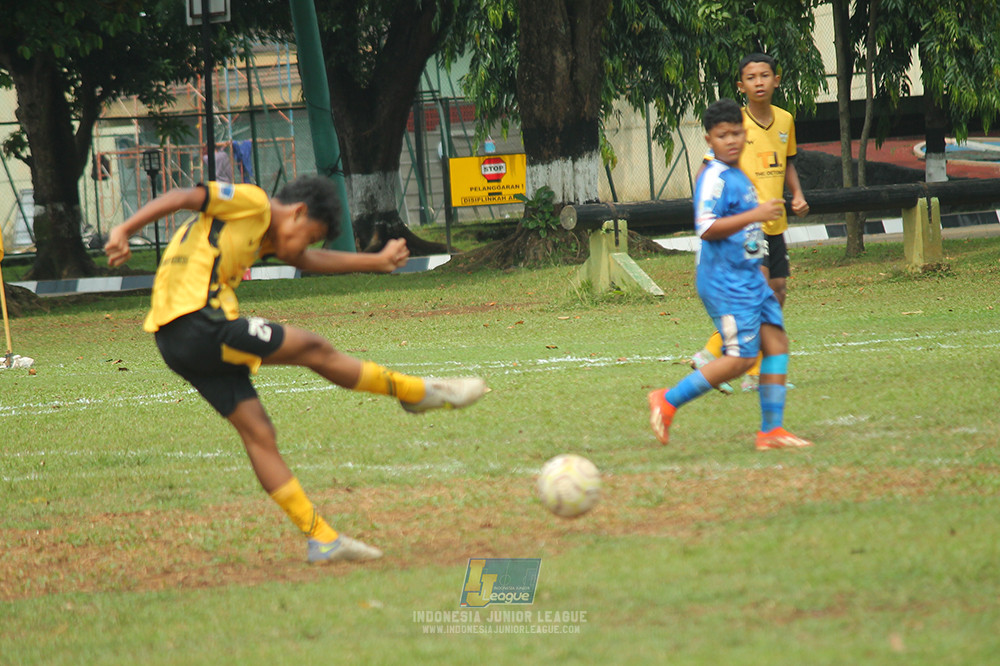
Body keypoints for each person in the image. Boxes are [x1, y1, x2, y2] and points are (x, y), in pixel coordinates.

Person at [104, 175, 487, 563]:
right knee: (314, 348)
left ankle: (323, 539)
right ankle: (415, 393)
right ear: (298, 212)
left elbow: (303, 258)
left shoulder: (264, 232)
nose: (306, 247)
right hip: (201, 323)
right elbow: (184, 195)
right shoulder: (254, 203)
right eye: (309, 235)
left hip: (174, 340)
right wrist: (124, 228)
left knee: (259, 433)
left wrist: (375, 261)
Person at [648, 99, 811, 451]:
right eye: (723, 135)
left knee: (776, 343)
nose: (732, 140)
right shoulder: (714, 177)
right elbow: (706, 228)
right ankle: (667, 399)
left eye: (737, 133)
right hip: (725, 281)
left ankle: (771, 431)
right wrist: (756, 214)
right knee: (741, 358)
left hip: (750, 277)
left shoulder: (738, 174)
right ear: (709, 140)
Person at [690, 53, 809, 393]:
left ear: (777, 80)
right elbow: (708, 171)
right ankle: (738, 366)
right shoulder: (732, 126)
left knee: (777, 292)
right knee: (756, 297)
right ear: (741, 86)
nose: (759, 82)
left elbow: (786, 163)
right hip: (744, 230)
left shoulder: (785, 120)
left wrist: (796, 194)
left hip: (773, 224)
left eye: (765, 75)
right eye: (752, 77)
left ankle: (734, 362)